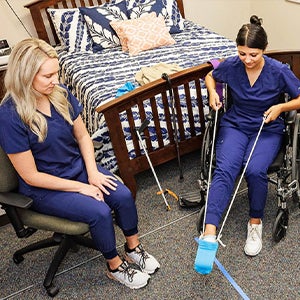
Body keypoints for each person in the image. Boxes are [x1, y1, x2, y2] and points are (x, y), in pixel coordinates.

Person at [0, 38, 160, 289]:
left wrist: (93, 173)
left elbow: (83, 136)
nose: (56, 80)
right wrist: (81, 188)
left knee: (122, 195)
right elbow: (30, 176)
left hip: (77, 168)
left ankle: (133, 248)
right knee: (99, 211)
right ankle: (115, 266)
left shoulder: (59, 94)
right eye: (48, 75)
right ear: (25, 74)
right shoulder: (10, 115)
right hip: (44, 187)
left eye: (57, 73)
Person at [203, 15, 300, 256]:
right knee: (225, 168)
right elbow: (210, 75)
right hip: (235, 124)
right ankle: (209, 233)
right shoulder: (233, 65)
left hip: (266, 128)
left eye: (253, 55)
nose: (247, 59)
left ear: (264, 50)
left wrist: (280, 107)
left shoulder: (279, 71)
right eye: (242, 53)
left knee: (255, 170)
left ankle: (255, 222)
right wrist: (212, 93)